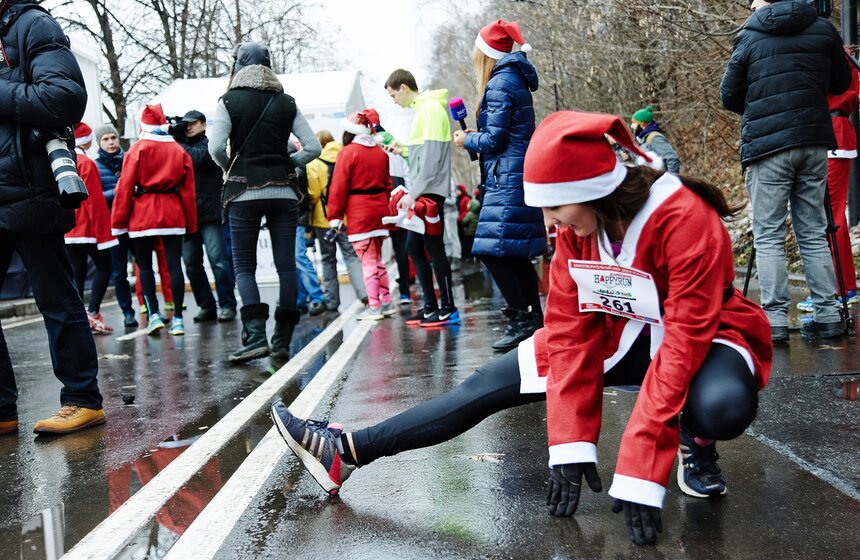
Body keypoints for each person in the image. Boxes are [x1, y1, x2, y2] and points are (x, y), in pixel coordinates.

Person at [271, 111, 773, 547]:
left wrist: (642, 467)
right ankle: (347, 450)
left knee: (722, 404)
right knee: (484, 386)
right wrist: (570, 441)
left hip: (704, 336)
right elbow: (571, 332)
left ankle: (697, 440)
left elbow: (683, 342)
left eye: (556, 206)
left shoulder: (685, 218)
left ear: (592, 190)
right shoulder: (577, 227)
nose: (550, 220)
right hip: (618, 332)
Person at [0, 0, 106, 435]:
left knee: (56, 298)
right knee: (56, 296)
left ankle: (82, 399)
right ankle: (3, 409)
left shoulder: (33, 24)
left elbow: (63, 98)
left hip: (29, 186)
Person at [721, 0, 851, 342]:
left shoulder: (749, 35)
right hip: (813, 140)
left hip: (767, 147)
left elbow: (729, 94)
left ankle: (775, 319)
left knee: (768, 234)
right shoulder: (824, 29)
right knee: (813, 230)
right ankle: (827, 314)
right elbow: (840, 82)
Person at [209, 42, 321, 363]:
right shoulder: (286, 102)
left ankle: (255, 337)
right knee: (287, 265)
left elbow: (216, 147)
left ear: (238, 67)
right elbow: (312, 148)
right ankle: (282, 340)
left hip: (243, 192)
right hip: (285, 192)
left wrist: (230, 167)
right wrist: (290, 164)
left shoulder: (229, 100)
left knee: (245, 267)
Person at [453, 20, 546, 351]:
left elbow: (495, 138)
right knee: (512, 250)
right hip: (512, 175)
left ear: (487, 54)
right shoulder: (513, 79)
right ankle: (532, 319)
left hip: (509, 177)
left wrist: (467, 139)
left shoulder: (499, 83)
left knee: (491, 250)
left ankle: (525, 318)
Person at [111, 103, 197, 337]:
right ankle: (178, 318)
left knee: (145, 267)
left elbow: (125, 188)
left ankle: (154, 316)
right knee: (173, 265)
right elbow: (188, 191)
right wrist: (191, 223)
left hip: (143, 212)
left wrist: (118, 222)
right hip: (172, 211)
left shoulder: (137, 150)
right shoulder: (179, 151)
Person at [384, 69, 458, 327]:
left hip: (429, 192)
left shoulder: (429, 110)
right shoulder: (424, 110)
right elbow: (426, 156)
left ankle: (447, 307)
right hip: (426, 190)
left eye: (394, 95)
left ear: (403, 88)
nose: (394, 101)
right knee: (415, 247)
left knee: (431, 248)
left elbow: (432, 159)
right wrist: (403, 150)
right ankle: (432, 307)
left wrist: (412, 194)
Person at [797, 49, 860, 312]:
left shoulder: (833, 59)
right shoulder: (841, 59)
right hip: (835, 134)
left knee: (829, 218)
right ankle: (843, 286)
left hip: (831, 135)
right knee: (832, 217)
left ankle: (839, 289)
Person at [326, 110, 395, 320]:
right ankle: (386, 301)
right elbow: (387, 186)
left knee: (367, 261)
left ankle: (374, 306)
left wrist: (334, 216)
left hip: (359, 212)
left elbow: (338, 187)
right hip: (379, 211)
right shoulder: (381, 153)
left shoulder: (347, 153)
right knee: (377, 259)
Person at [177, 110, 238, 323]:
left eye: (192, 123)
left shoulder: (210, 146)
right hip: (188, 215)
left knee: (218, 262)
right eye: (185, 124)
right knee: (192, 264)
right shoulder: (179, 147)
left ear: (203, 124)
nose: (188, 127)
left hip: (210, 214)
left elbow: (197, 158)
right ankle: (206, 306)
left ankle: (228, 304)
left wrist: (176, 142)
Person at [65, 123, 118, 335]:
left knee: (77, 273)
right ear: (88, 140)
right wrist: (104, 234)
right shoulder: (86, 163)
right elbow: (94, 201)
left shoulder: (64, 160)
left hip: (69, 228)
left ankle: (80, 318)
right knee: (105, 267)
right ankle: (93, 312)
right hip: (87, 226)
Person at [306, 130, 368, 311]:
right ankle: (364, 294)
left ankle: (332, 302)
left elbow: (313, 194)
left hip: (323, 220)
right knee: (351, 257)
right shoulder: (346, 157)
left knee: (328, 260)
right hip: (346, 218)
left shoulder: (314, 164)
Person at [93, 124, 138, 328]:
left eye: (113, 138)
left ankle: (151, 309)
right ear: (99, 143)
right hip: (114, 226)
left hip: (137, 222)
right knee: (118, 272)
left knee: (143, 268)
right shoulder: (95, 166)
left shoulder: (131, 159)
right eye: (106, 139)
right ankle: (127, 312)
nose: (111, 142)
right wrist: (120, 192)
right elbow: (96, 198)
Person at [629, 105, 681, 174]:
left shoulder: (654, 138)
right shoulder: (643, 140)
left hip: (661, 182)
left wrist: (670, 180)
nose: (631, 126)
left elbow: (672, 158)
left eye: (634, 123)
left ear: (642, 124)